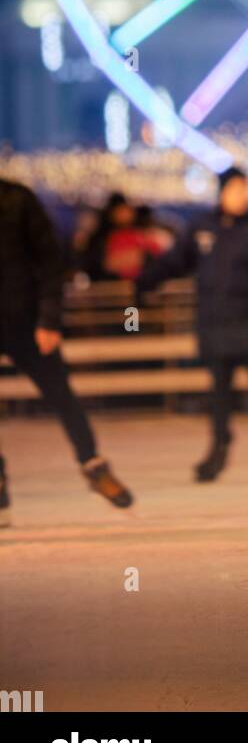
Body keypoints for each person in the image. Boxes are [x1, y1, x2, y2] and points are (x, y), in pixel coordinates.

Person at [140, 167, 248, 482]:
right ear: (223, 192)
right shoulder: (203, 227)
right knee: (220, 395)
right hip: (216, 324)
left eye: (245, 189)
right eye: (236, 189)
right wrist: (144, 282)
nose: (242, 196)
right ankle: (218, 451)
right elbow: (176, 261)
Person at [0, 178, 133, 521]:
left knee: (61, 395)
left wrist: (49, 320)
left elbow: (49, 263)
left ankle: (94, 466)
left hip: (26, 322)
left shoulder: (17, 199)